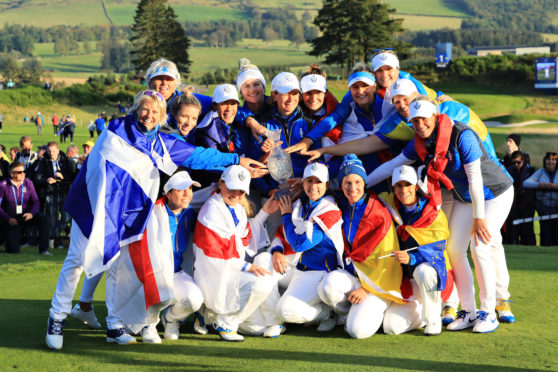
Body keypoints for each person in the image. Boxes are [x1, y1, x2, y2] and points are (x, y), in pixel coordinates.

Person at [45, 90, 266, 350]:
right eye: (145, 109)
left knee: (118, 268)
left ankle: (114, 325)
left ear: (162, 117)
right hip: (90, 208)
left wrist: (238, 159)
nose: (149, 116)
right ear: (136, 109)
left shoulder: (162, 144)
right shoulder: (116, 130)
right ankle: (56, 317)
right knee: (76, 262)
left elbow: (199, 155)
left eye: (155, 112)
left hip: (123, 216)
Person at [366, 96, 515, 332]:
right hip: (467, 198)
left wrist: (479, 218)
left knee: (480, 247)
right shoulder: (419, 141)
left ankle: (488, 312)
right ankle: (468, 311)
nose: (419, 125)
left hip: (495, 193)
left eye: (424, 119)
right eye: (415, 121)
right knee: (454, 249)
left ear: (435, 117)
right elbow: (392, 165)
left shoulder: (462, 135)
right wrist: (360, 183)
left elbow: (475, 178)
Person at [315, 155, 415, 338]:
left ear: (364, 182)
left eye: (357, 182)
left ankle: (378, 310)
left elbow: (389, 260)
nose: (353, 189)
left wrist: (367, 289)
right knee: (327, 287)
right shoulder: (340, 205)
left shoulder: (378, 212)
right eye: (347, 182)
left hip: (379, 282)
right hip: (354, 275)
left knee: (357, 332)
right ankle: (346, 315)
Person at [194, 165, 283, 341]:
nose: (236, 194)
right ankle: (225, 322)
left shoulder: (237, 209)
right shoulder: (211, 209)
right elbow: (213, 255)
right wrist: (247, 266)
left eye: (241, 191)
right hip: (215, 276)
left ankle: (209, 315)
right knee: (262, 284)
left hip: (231, 273)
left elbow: (245, 238)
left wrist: (265, 212)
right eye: (232, 188)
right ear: (221, 183)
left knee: (257, 328)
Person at [379, 165, 453, 336]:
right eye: (399, 185)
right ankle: (420, 309)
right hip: (404, 281)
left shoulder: (433, 213)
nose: (403, 190)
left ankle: (433, 319)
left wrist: (411, 259)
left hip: (430, 278)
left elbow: (437, 253)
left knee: (424, 271)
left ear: (416, 187)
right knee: (391, 328)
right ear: (393, 188)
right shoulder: (389, 204)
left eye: (408, 185)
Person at [275, 162, 343, 331]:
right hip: (300, 267)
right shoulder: (301, 204)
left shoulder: (330, 209)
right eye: (309, 181)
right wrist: (276, 251)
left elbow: (300, 244)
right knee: (264, 266)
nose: (313, 186)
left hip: (320, 272)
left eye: (318, 182)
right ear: (303, 183)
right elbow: (283, 235)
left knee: (285, 310)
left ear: (326, 185)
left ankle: (326, 313)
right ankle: (270, 319)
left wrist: (285, 215)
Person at [157, 171, 203, 341]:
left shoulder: (189, 212)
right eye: (181, 188)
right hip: (152, 275)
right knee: (133, 325)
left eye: (190, 188)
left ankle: (170, 319)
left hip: (175, 272)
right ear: (168, 193)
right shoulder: (155, 212)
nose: (187, 193)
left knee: (194, 299)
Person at [0, 162, 50, 255]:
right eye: (20, 172)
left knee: (44, 219)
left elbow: (36, 202)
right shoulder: (3, 185)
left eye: (24, 171)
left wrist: (31, 213)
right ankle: (9, 243)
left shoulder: (28, 183)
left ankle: (44, 249)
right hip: (11, 219)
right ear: (12, 174)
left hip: (25, 216)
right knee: (13, 251)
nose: (23, 174)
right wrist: (8, 219)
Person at [33, 142, 74, 249]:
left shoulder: (65, 161)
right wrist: (46, 180)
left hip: (63, 192)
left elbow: (72, 176)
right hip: (49, 193)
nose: (51, 153)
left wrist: (63, 177)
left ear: (58, 150)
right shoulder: (43, 162)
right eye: (49, 151)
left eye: (53, 151)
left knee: (66, 217)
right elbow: (37, 178)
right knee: (52, 219)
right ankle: (54, 242)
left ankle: (53, 236)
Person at [523, 151, 558, 246]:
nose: (551, 162)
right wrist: (539, 185)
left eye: (553, 160)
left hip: (557, 207)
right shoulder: (541, 172)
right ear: (544, 161)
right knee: (545, 232)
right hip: (544, 207)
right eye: (548, 160)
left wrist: (554, 186)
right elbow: (526, 183)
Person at [503, 150, 536, 245]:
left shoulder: (531, 170)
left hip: (527, 204)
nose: (516, 164)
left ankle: (529, 246)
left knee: (527, 228)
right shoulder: (509, 171)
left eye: (518, 162)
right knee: (513, 229)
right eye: (514, 163)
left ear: (523, 161)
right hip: (514, 204)